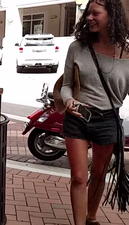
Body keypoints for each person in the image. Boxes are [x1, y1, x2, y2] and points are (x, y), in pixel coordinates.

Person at [60, 0, 129, 224]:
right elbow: (66, 85)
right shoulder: (77, 47)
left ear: (112, 16)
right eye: (87, 13)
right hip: (77, 117)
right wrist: (69, 100)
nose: (89, 17)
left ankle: (90, 217)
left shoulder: (127, 54)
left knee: (99, 175)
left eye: (95, 13)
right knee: (79, 177)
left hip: (108, 119)